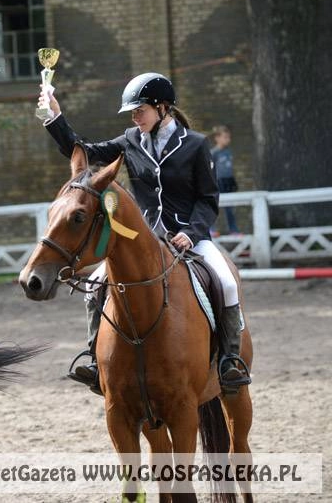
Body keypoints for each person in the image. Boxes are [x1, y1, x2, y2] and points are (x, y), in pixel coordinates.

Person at [38, 72, 251, 393]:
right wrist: (54, 115)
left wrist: (192, 233)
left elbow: (208, 201)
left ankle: (229, 360)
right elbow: (82, 151)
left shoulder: (195, 145)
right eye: (133, 113)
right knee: (96, 284)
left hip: (190, 236)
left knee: (225, 282)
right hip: (145, 238)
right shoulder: (130, 140)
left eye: (140, 110)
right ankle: (95, 359)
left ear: (163, 107)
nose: (135, 117)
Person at [209, 125, 241, 236]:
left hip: (228, 182)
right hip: (219, 182)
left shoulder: (228, 152)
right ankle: (211, 229)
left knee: (230, 208)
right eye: (225, 137)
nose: (228, 140)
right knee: (214, 206)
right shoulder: (213, 153)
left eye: (229, 137)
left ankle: (234, 230)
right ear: (217, 138)